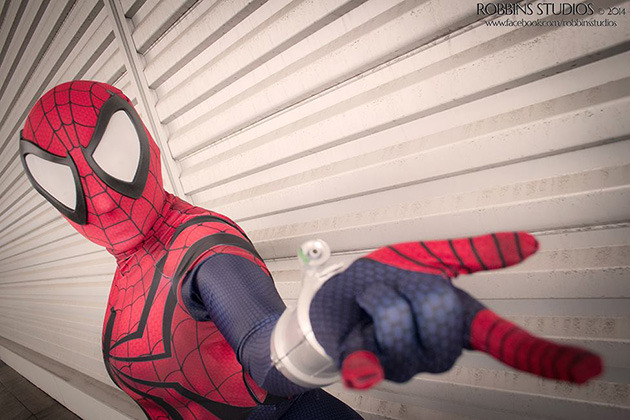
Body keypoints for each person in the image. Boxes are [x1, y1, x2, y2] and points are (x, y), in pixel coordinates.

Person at [18, 80, 602, 419]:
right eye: (66, 179)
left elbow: (261, 350)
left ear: (143, 140)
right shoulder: (126, 278)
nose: (99, 193)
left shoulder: (199, 246)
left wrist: (318, 328)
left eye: (108, 154)